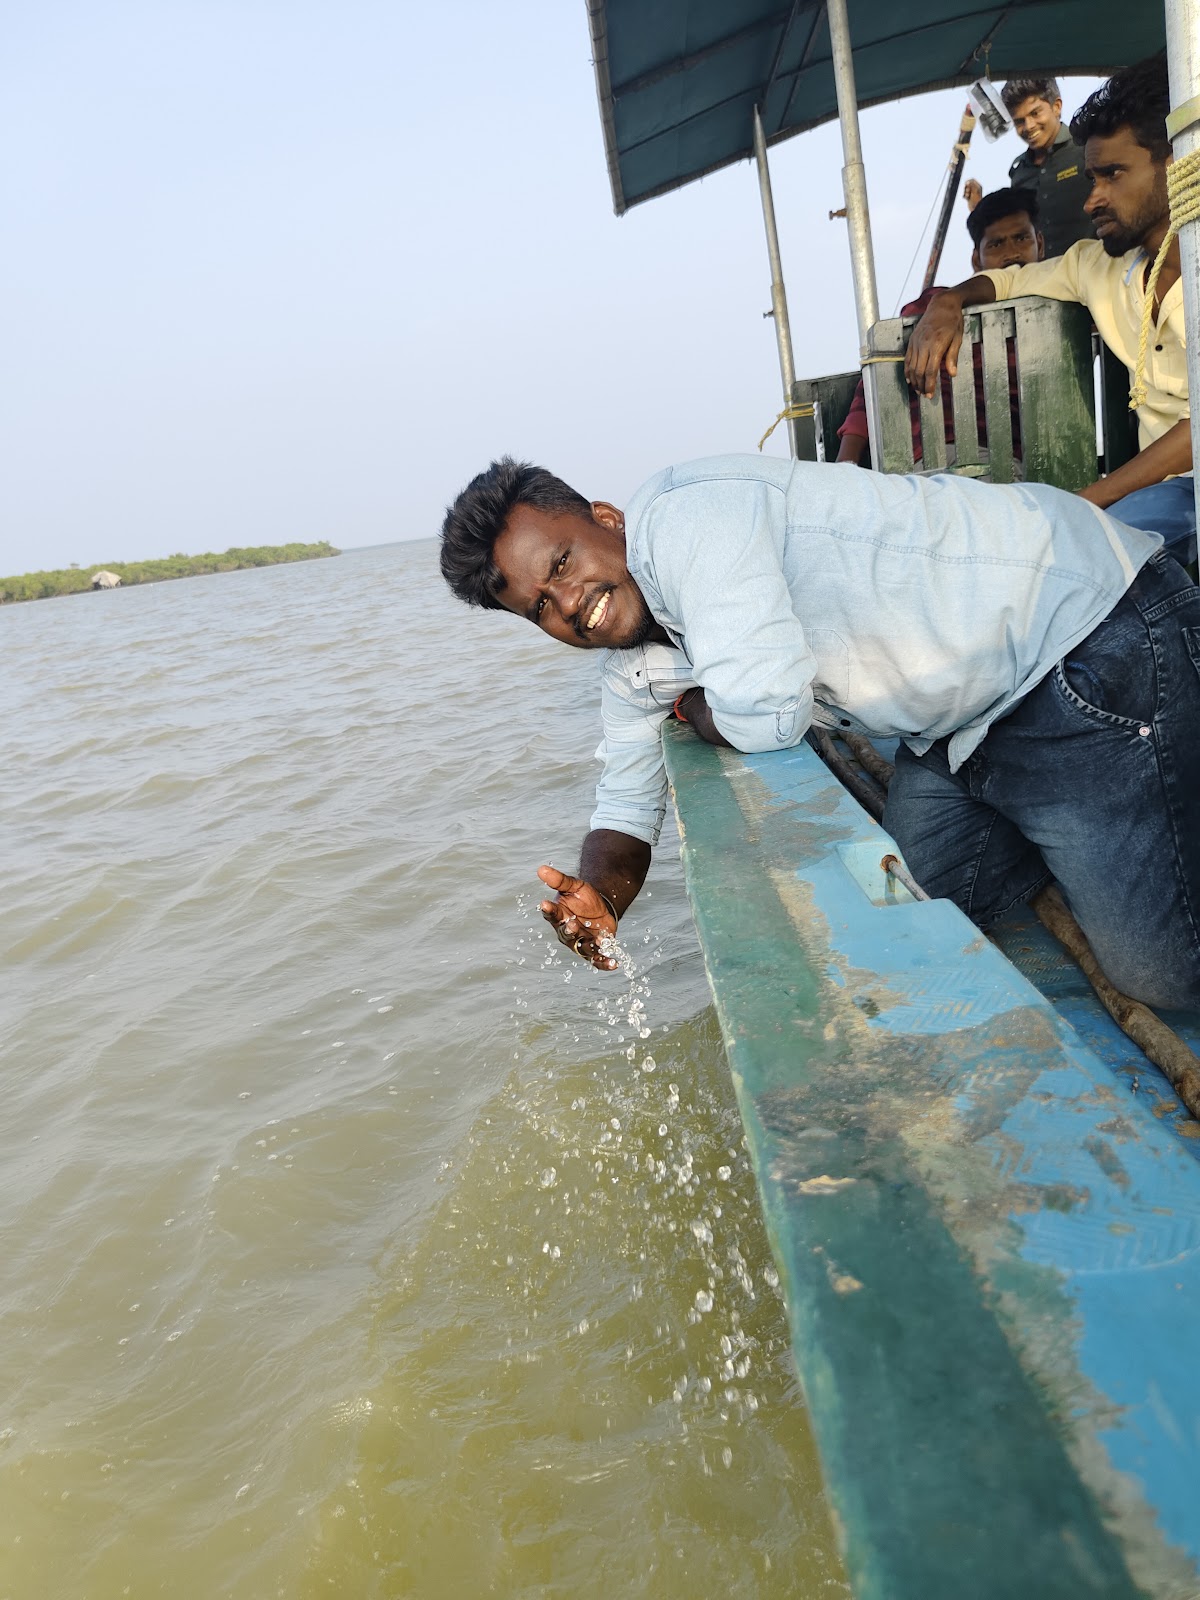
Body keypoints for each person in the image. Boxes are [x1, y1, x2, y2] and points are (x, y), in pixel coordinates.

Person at [439, 453, 1200, 1011]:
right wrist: (602, 894)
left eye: (563, 563)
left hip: (1083, 635)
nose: (570, 603)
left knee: (1162, 977)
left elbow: (768, 715)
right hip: (960, 728)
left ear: (606, 518)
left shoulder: (686, 519)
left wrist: (695, 710)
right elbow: (626, 807)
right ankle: (1091, 835)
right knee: (882, 928)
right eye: (540, 606)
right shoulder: (634, 663)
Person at [913, 54, 1194, 563]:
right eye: (1092, 179)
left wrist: (1090, 500)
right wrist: (949, 300)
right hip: (1167, 499)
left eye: (1112, 175)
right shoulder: (1096, 267)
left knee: (1075, 557)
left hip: (1161, 497)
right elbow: (1008, 278)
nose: (1092, 200)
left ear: (1174, 163)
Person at [836, 188, 1044, 467]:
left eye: (1021, 238)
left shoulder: (1062, 307)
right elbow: (874, 387)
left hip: (1019, 463)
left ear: (1039, 244)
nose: (1011, 254)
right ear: (976, 259)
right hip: (930, 461)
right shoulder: (932, 308)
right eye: (995, 245)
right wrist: (845, 465)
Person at [963, 76, 1092, 257]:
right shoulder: (1019, 171)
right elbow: (1014, 225)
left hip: (1094, 272)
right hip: (1041, 278)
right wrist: (978, 207)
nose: (1029, 126)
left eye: (1035, 113)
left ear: (1057, 107)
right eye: (1019, 121)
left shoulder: (1087, 150)